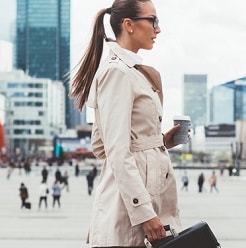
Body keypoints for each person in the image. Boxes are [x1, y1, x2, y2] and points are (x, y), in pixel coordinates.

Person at [69, 1, 181, 246]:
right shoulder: (117, 73)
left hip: (141, 202)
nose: (158, 29)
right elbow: (114, 151)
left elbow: (102, 145)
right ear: (129, 25)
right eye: (153, 20)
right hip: (131, 212)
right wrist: (144, 212)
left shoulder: (131, 71)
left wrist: (159, 142)